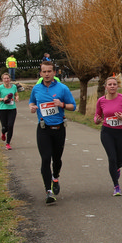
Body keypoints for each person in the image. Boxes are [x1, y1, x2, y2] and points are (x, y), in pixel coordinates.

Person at [29, 60, 77, 205]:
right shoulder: (36, 89)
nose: (47, 74)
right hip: (43, 129)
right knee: (45, 159)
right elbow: (32, 102)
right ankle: (48, 191)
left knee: (56, 159)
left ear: (54, 73)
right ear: (40, 73)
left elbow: (73, 106)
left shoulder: (63, 88)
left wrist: (62, 104)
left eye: (49, 71)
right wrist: (32, 107)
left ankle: (55, 177)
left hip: (59, 128)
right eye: (44, 71)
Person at [93, 76, 122, 196]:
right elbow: (96, 116)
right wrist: (97, 120)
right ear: (105, 87)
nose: (112, 86)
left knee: (119, 161)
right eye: (110, 84)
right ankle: (116, 186)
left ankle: (117, 167)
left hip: (121, 133)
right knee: (112, 158)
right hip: (107, 132)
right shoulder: (101, 100)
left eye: (114, 84)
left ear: (117, 86)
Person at [0, 72, 20, 150]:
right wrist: (3, 99)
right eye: (5, 78)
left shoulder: (14, 87)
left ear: (10, 79)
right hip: (3, 109)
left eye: (7, 78)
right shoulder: (0, 88)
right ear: (2, 80)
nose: (6, 80)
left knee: (10, 126)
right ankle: (3, 133)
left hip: (12, 109)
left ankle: (8, 143)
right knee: (4, 127)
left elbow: (16, 94)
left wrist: (17, 98)